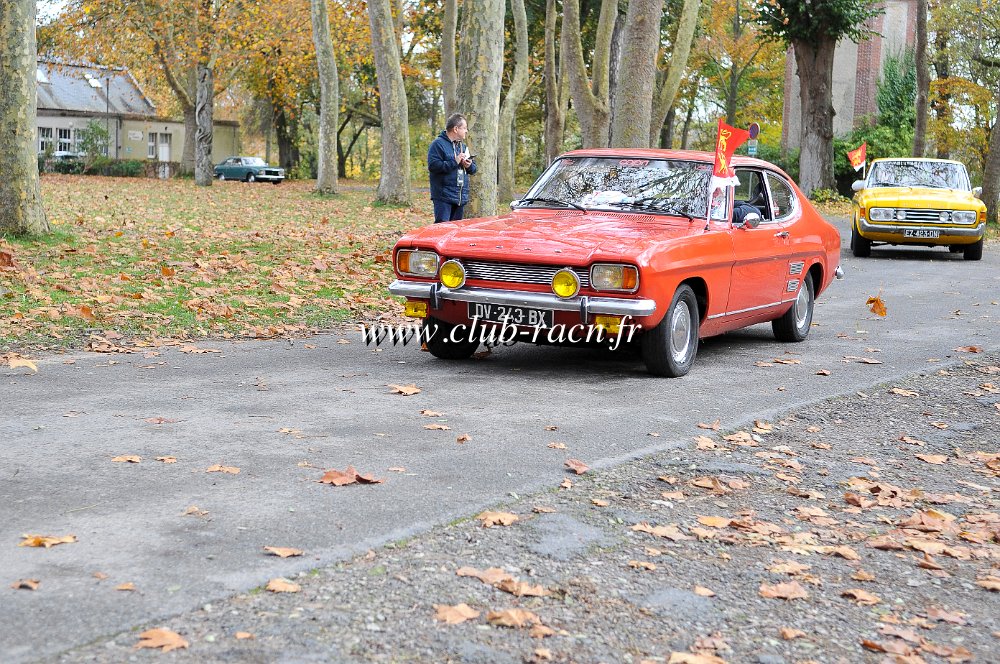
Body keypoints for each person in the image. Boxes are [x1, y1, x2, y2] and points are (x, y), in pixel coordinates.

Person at [428, 114, 477, 223]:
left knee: (455, 230)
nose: (466, 131)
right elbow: (433, 166)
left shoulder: (463, 147)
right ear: (455, 129)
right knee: (442, 229)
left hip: (460, 198)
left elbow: (474, 169)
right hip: (443, 197)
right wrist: (455, 161)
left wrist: (469, 165)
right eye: (464, 128)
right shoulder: (437, 144)